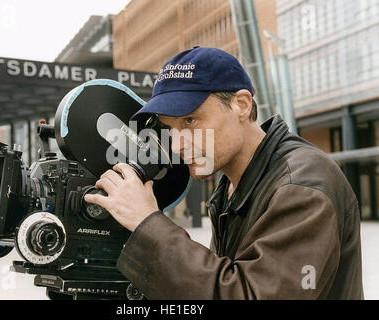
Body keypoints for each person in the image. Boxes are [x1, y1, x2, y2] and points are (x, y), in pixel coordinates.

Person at [84, 46, 363, 299]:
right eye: (169, 128)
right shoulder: (233, 183)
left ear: (241, 104)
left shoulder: (302, 184)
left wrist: (147, 222)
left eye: (190, 120)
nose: (177, 144)